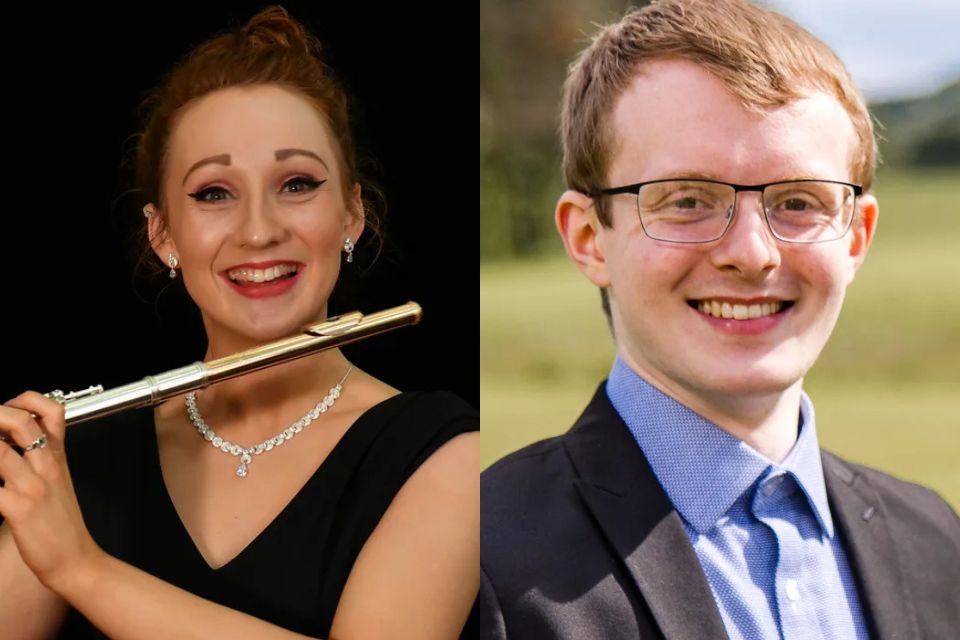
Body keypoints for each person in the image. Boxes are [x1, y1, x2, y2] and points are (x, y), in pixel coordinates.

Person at [469, 1, 959, 638]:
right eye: (688, 200)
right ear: (590, 237)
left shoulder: (936, 543)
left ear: (856, 237)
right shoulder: (477, 563)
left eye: (798, 201)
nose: (753, 255)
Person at [0, 6, 479, 639]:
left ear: (352, 216)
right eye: (214, 193)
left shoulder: (448, 457)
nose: (259, 230)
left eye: (298, 183)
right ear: (163, 234)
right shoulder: (84, 455)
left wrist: (80, 568)